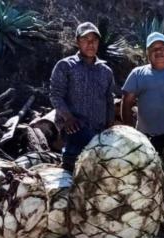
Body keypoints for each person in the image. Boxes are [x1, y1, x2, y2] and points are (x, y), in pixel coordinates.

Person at [49, 22, 116, 172]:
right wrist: (68, 118)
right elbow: (56, 95)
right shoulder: (65, 66)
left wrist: (110, 127)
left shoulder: (106, 71)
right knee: (75, 171)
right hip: (74, 128)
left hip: (98, 131)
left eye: (94, 40)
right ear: (77, 41)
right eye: (86, 39)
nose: (91, 44)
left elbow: (109, 101)